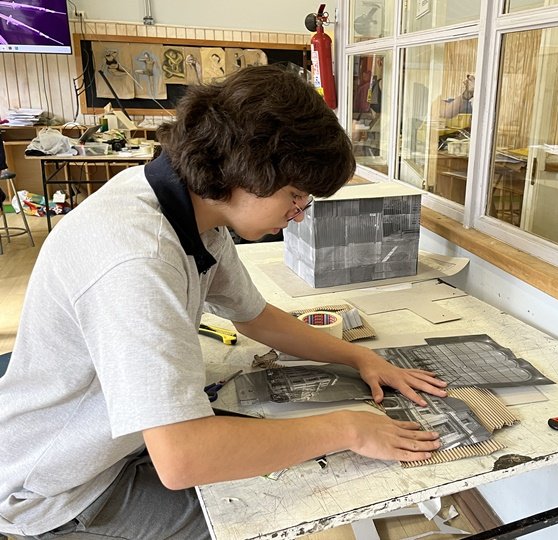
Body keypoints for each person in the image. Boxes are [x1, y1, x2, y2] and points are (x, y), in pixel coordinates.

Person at [0, 65, 447, 539]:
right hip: (59, 490)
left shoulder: (192, 211)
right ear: (247, 172)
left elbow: (255, 317)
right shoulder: (138, 256)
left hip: (117, 441)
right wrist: (347, 429)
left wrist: (360, 357)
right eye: (295, 196)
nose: (298, 215)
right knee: (288, 516)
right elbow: (183, 456)